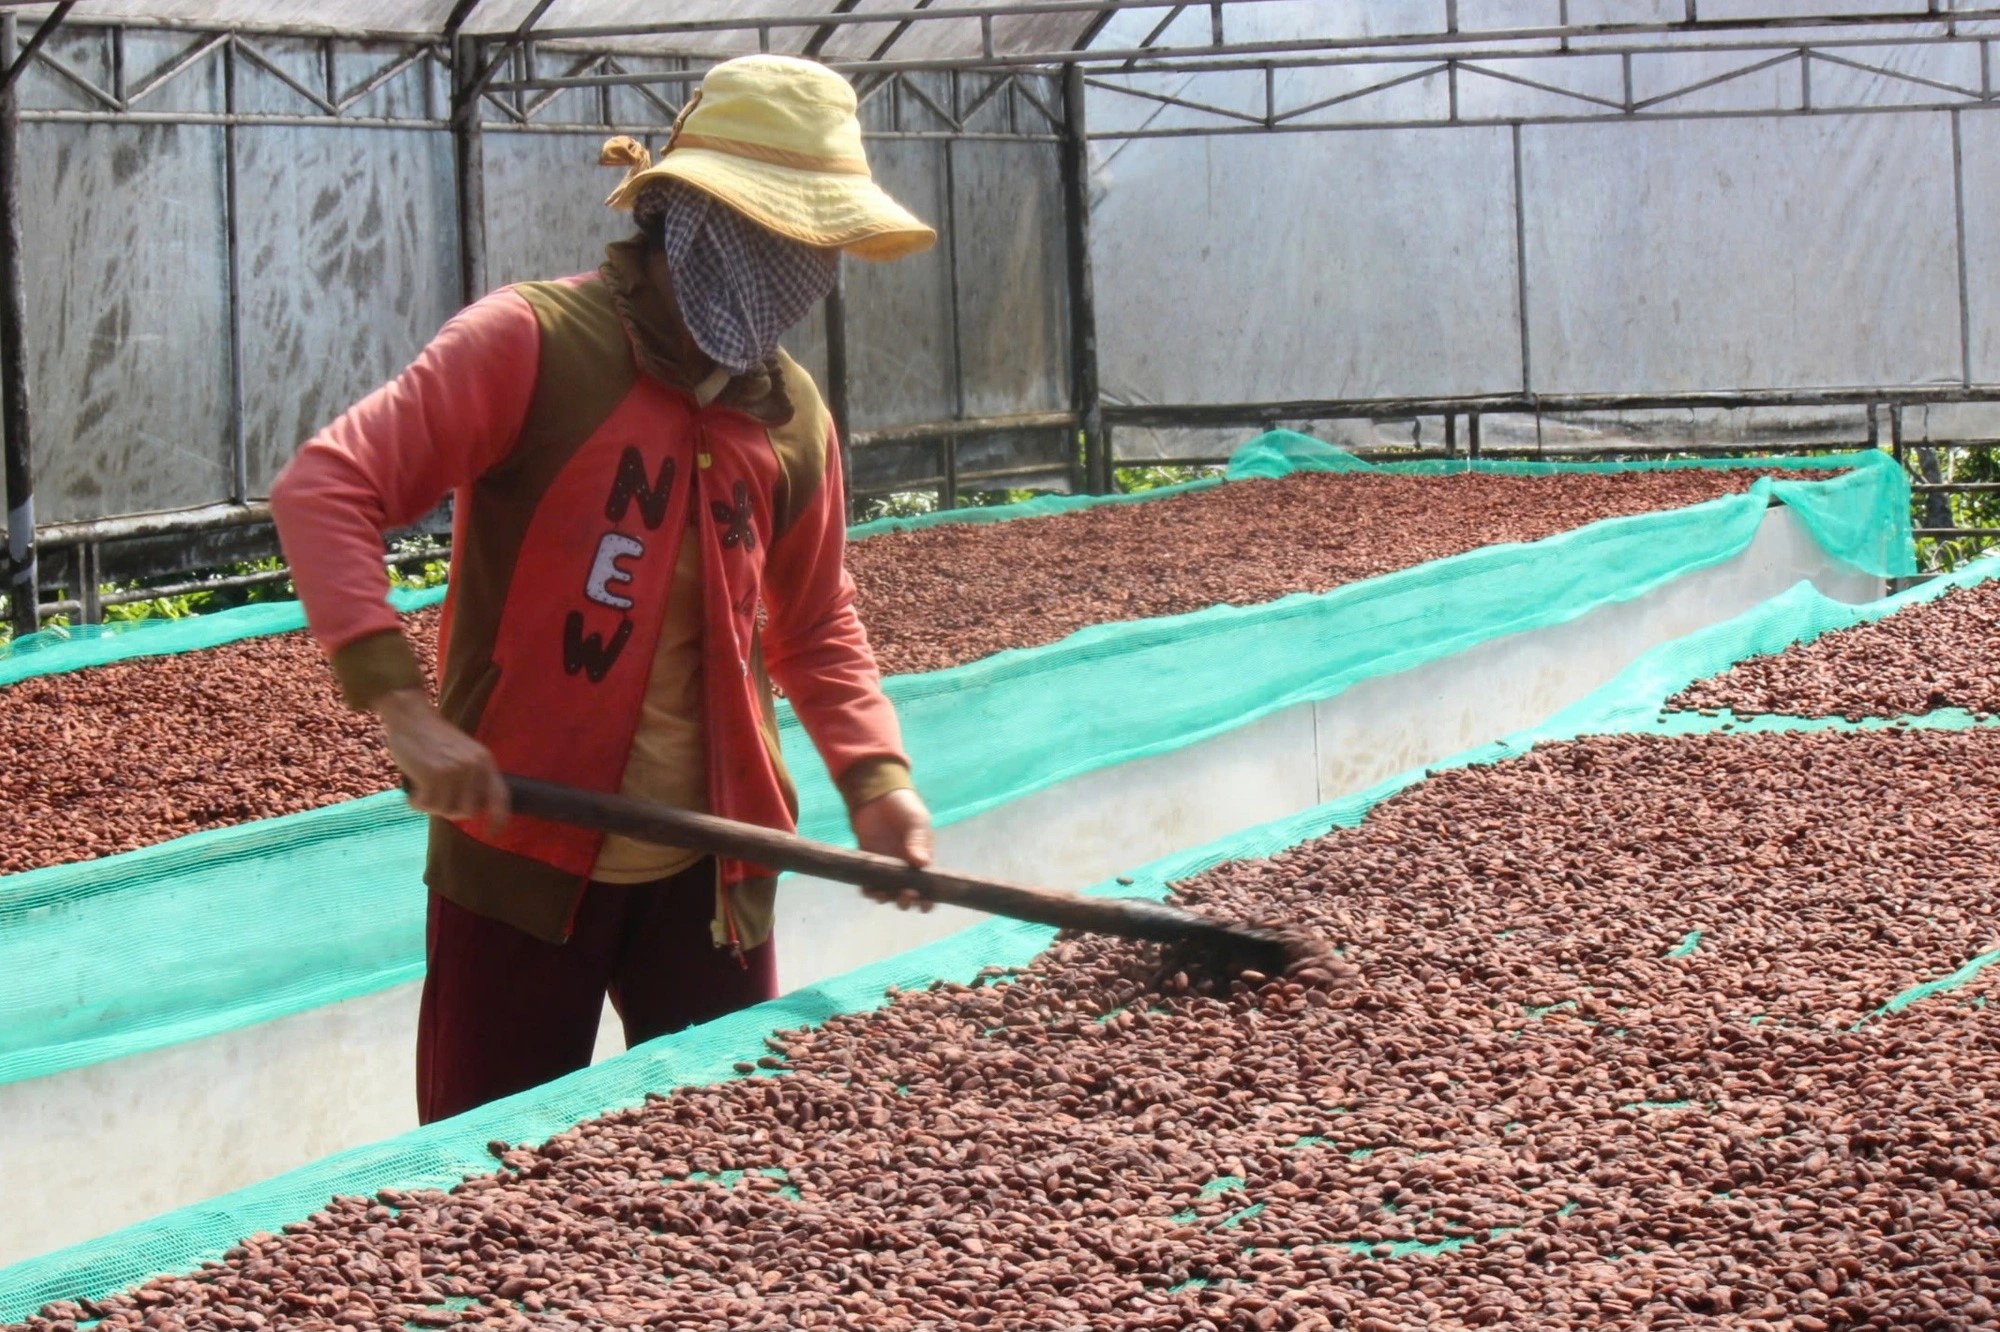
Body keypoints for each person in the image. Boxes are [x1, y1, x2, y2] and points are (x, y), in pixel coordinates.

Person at [270, 54, 936, 1125]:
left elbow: (813, 622)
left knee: (715, 1168)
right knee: (489, 1180)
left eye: (816, 244)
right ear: (692, 217)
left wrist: (876, 781)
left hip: (717, 871)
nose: (798, 268)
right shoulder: (534, 344)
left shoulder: (789, 416)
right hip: (522, 857)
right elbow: (327, 488)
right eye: (775, 233)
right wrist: (403, 709)